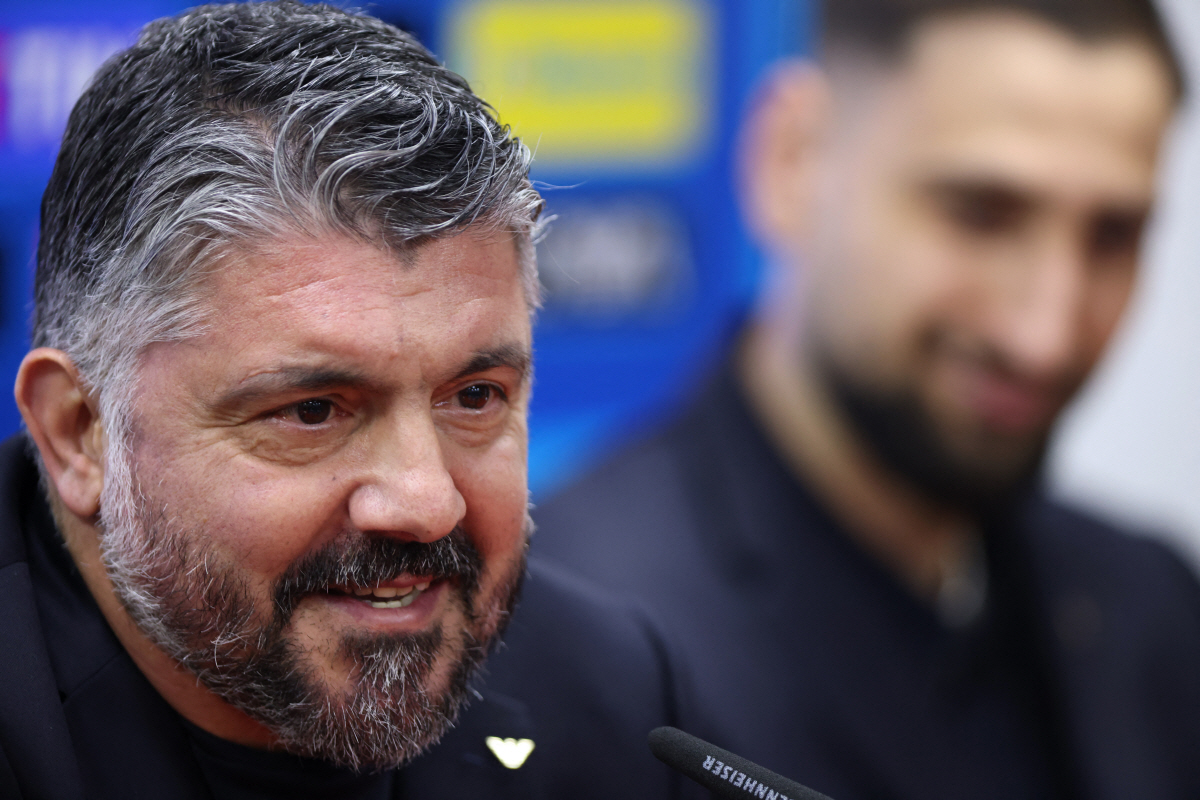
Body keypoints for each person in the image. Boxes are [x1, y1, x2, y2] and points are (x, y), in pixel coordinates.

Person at [0, 3, 703, 798]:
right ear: (78, 432)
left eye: (474, 396)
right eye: (313, 411)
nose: (427, 501)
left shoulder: (605, 694)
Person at [533, 1, 1200, 798]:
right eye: (981, 215)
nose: (1045, 332)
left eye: (1112, 236)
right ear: (793, 162)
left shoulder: (1149, 603)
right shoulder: (573, 641)